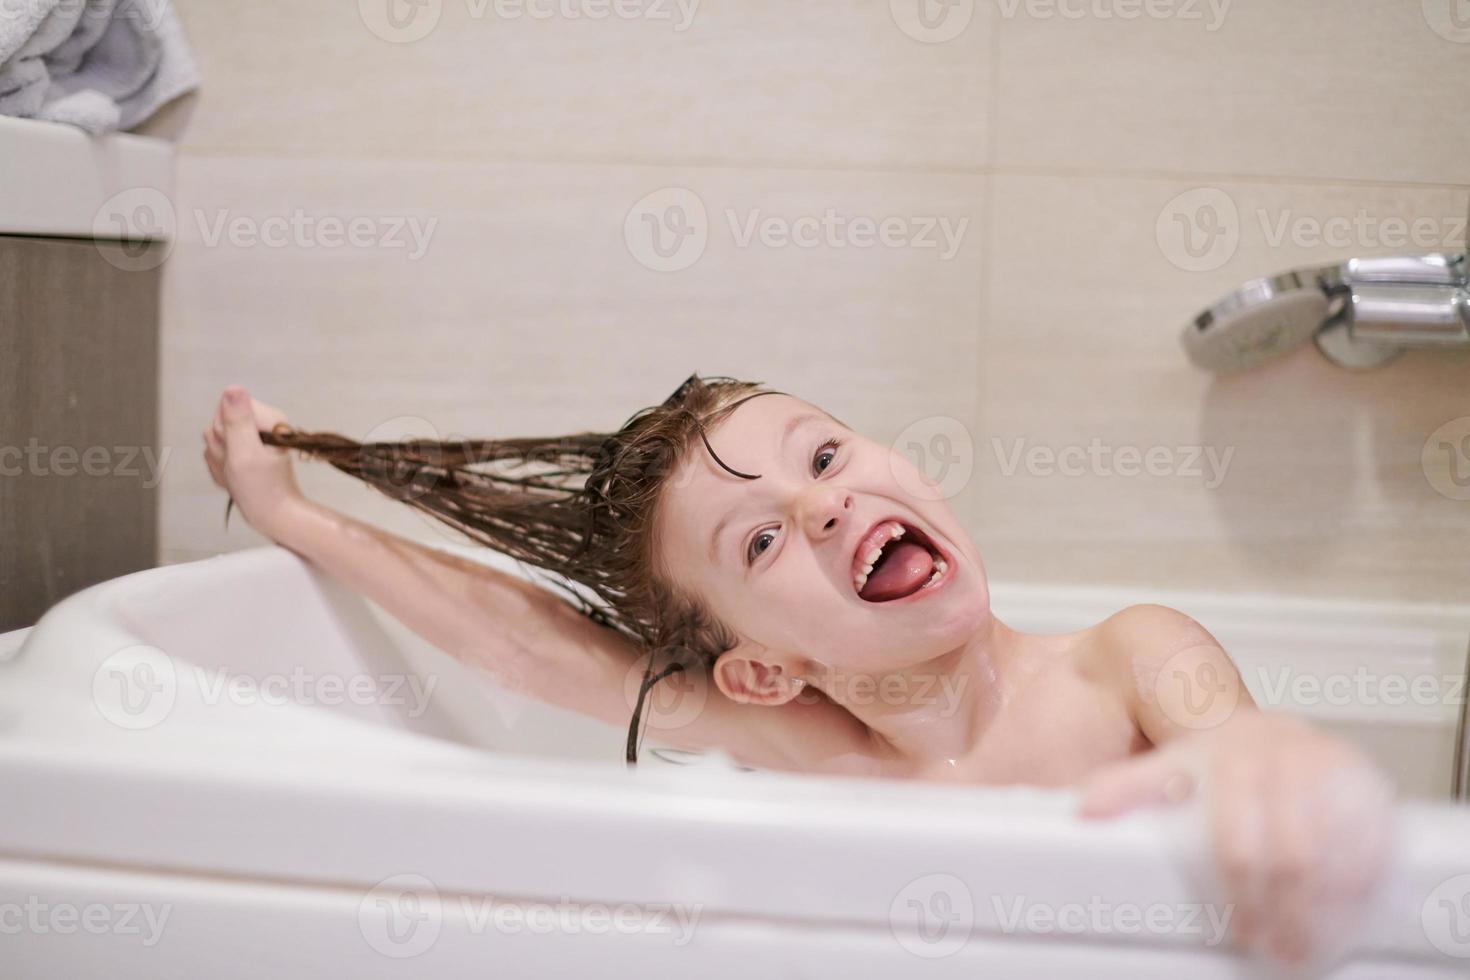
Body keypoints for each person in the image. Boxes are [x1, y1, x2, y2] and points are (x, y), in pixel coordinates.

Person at [202, 373, 1395, 966]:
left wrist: (1256, 753)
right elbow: (533, 647)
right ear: (764, 671)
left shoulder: (1126, 658)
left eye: (822, 452)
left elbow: (1226, 729)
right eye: (760, 539)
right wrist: (298, 518)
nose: (821, 503)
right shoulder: (816, 750)